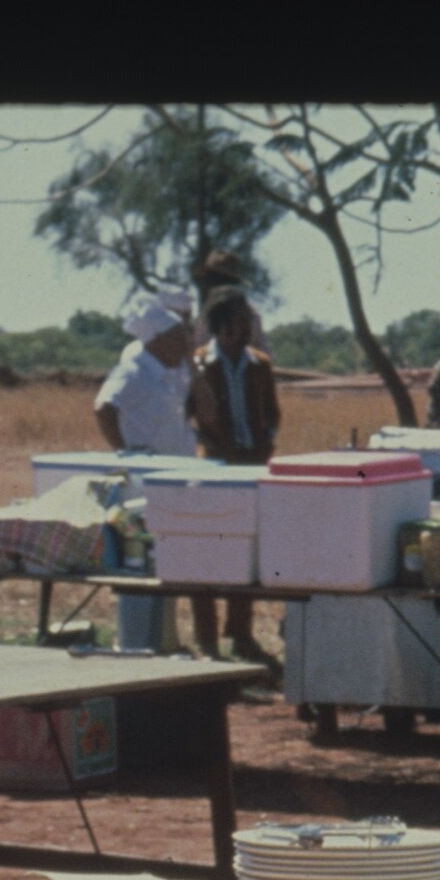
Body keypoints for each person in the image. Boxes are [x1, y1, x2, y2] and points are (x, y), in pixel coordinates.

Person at [185, 286, 281, 668]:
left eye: (249, 322)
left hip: (252, 467)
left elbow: (273, 414)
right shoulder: (197, 365)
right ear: (220, 325)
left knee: (248, 553)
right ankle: (207, 641)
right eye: (239, 322)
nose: (246, 330)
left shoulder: (260, 364)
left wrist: (266, 445)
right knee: (206, 553)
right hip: (212, 470)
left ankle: (240, 636)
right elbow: (191, 416)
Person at [93, 292, 192, 454]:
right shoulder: (133, 371)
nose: (185, 347)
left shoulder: (169, 375)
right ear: (159, 341)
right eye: (178, 340)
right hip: (145, 472)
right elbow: (104, 408)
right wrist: (125, 453)